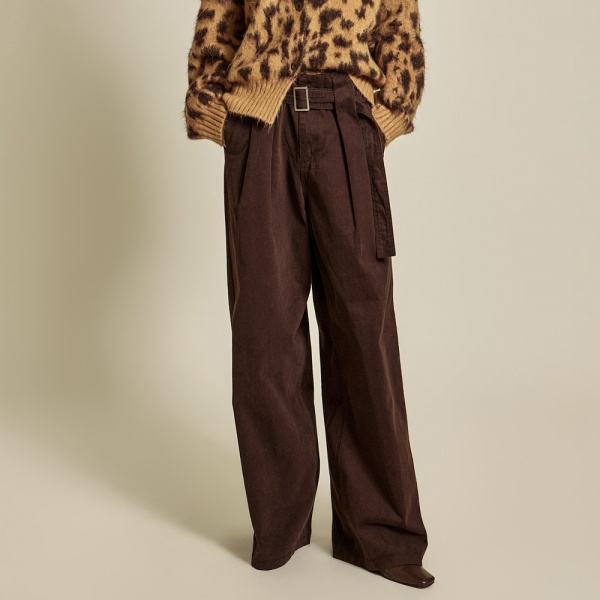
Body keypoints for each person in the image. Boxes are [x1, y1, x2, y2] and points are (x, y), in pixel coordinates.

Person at [183, 0, 434, 589]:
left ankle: (382, 535)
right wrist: (227, 122)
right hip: (261, 127)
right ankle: (280, 526)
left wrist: (381, 116)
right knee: (264, 335)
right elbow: (216, 28)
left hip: (348, 120)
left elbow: (400, 30)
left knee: (364, 333)